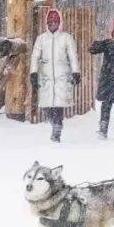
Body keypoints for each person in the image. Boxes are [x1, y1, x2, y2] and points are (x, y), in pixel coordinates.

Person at [30, 8, 80, 143]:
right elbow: (35, 57)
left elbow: (73, 57)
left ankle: (56, 131)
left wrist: (76, 71)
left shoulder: (66, 38)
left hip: (61, 76)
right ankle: (54, 124)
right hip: (46, 77)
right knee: (47, 107)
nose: (53, 25)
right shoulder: (41, 39)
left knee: (58, 105)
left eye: (55, 22)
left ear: (60, 23)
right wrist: (33, 73)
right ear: (47, 23)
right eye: (50, 23)